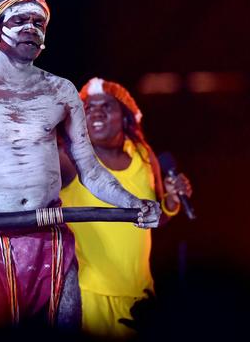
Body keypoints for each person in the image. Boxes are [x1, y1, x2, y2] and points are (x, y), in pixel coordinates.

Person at [0, 0, 160, 341]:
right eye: (20, 20)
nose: (31, 29)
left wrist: (133, 203)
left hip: (49, 240)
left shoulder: (61, 91)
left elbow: (90, 170)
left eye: (39, 22)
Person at [59, 77, 192, 340]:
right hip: (88, 294)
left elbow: (157, 217)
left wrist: (172, 201)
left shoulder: (144, 156)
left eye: (106, 106)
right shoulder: (68, 158)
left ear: (126, 116)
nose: (96, 111)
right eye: (88, 107)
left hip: (140, 295)